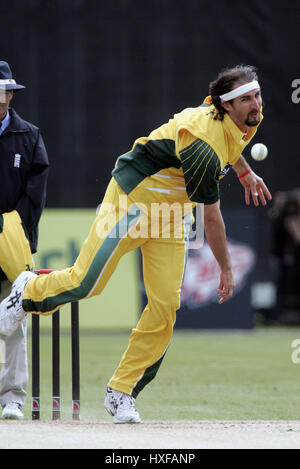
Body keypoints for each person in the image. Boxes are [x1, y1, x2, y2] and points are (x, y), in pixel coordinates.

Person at [0, 64, 271, 423]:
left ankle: (122, 391)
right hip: (132, 199)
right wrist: (225, 267)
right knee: (87, 283)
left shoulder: (248, 118)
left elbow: (231, 144)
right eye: (247, 98)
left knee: (164, 309)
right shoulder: (202, 144)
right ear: (225, 106)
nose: (256, 103)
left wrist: (244, 169)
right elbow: (212, 217)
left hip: (172, 217)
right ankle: (27, 292)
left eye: (256, 95)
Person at [0, 61, 49, 419]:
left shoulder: (28, 134)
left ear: (10, 95)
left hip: (13, 236)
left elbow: (36, 189)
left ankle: (12, 396)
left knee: (14, 317)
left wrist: (15, 227)